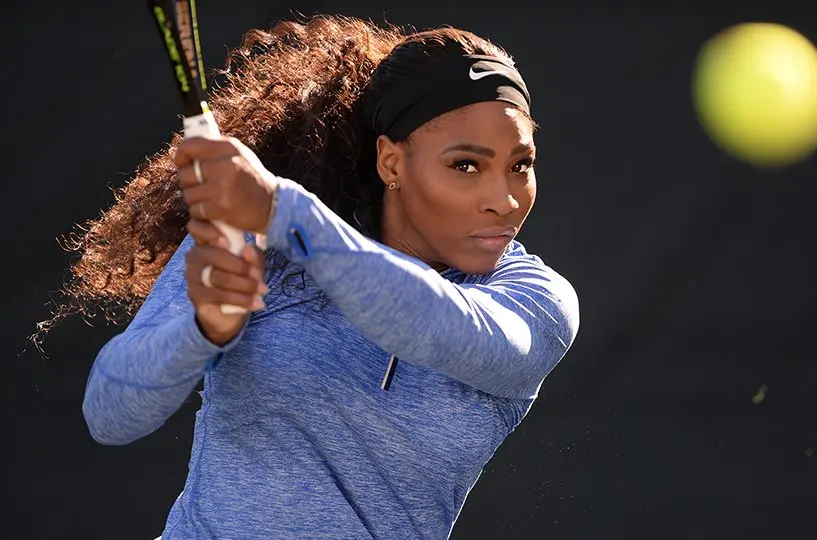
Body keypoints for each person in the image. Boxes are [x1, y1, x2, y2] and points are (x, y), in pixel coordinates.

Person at [65, 14, 579, 539]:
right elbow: (110, 414)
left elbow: (435, 324)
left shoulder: (536, 300)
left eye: (521, 165)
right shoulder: (259, 239)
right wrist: (202, 330)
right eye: (466, 165)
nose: (504, 200)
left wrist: (280, 209)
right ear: (391, 163)